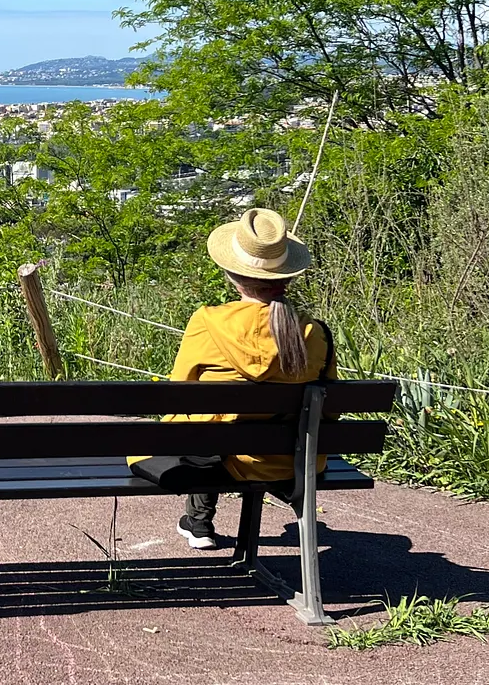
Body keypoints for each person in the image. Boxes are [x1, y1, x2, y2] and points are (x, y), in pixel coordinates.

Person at [127, 207, 336, 550]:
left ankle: (199, 522)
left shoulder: (207, 322)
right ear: (287, 276)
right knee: (219, 429)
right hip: (293, 462)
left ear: (231, 274)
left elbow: (177, 394)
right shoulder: (315, 333)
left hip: (224, 461)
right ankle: (199, 520)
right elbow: (329, 410)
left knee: (203, 428)